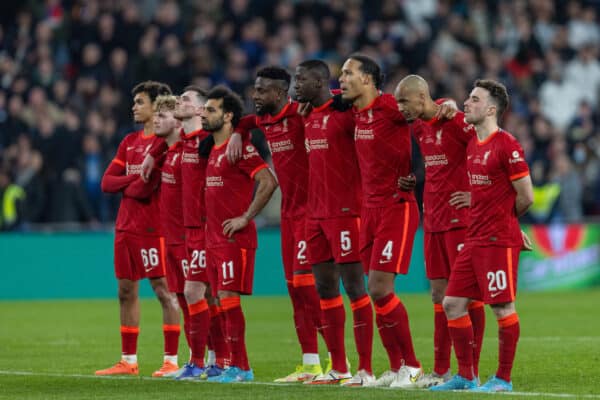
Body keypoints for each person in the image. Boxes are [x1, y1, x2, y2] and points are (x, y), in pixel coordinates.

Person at [431, 79, 533, 392]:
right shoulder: (474, 144)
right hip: (474, 238)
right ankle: (466, 376)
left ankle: (503, 379)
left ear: (490, 109)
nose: (467, 103)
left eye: (474, 99)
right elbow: (493, 192)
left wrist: (508, 223)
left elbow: (526, 196)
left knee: (502, 308)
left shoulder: (507, 145)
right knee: (452, 303)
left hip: (497, 240)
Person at [394, 75, 486, 387]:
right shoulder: (418, 127)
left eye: (404, 102)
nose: (400, 108)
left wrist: (477, 195)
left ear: (421, 97)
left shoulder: (459, 122)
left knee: (466, 296)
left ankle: (469, 370)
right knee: (438, 295)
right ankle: (442, 370)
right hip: (432, 220)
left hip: (461, 220)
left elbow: (487, 154)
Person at [236, 66, 326, 383]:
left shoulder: (301, 113)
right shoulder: (264, 120)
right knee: (294, 291)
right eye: (255, 89)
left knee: (307, 287)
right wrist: (238, 133)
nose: (255, 95)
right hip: (289, 213)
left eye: (261, 90)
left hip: (312, 212)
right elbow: (246, 121)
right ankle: (311, 364)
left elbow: (334, 100)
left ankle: (336, 362)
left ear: (279, 92)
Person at [338, 54, 423, 388]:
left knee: (378, 287)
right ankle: (395, 366)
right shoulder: (355, 112)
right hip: (368, 211)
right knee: (376, 293)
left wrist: (445, 106)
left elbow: (425, 109)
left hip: (396, 206)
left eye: (348, 73)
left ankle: (413, 365)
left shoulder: (391, 106)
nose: (341, 79)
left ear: (368, 79)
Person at [293, 60, 374, 386]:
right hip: (316, 215)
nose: (295, 86)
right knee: (325, 288)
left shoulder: (346, 114)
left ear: (319, 82)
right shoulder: (307, 115)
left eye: (301, 80)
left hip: (346, 212)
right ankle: (339, 367)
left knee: (355, 287)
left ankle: (365, 370)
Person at [97, 81, 181, 377]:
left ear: (157, 106)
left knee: (164, 290)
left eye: (140, 102)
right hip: (125, 228)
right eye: (134, 102)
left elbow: (145, 191)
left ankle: (171, 360)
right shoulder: (129, 142)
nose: (134, 107)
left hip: (152, 228)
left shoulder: (163, 145)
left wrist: (131, 184)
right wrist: (131, 183)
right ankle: (128, 361)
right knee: (125, 290)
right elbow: (107, 183)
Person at [202, 85, 278, 383]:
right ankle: (226, 363)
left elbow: (268, 181)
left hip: (234, 240)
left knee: (228, 298)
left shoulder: (241, 149)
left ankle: (242, 367)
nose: (204, 115)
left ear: (228, 115)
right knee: (219, 300)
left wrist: (246, 217)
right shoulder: (213, 149)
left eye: (211, 110)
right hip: (213, 239)